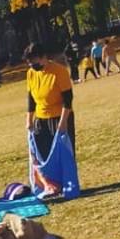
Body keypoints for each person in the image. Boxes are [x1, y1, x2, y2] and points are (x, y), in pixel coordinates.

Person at [23, 42, 76, 182]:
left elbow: (68, 99)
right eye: (29, 63)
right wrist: (29, 119)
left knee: (62, 154)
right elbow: (31, 99)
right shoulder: (31, 73)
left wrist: (63, 122)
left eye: (34, 61)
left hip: (59, 117)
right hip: (41, 118)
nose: (32, 65)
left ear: (43, 57)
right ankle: (51, 184)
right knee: (43, 153)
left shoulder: (59, 71)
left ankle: (67, 183)